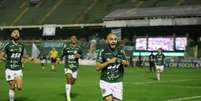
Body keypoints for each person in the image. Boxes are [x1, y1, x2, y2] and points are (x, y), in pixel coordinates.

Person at [96, 32, 129, 101]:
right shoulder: (102, 51)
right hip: (106, 82)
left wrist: (122, 61)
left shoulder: (121, 51)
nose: (113, 41)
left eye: (115, 39)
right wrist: (109, 62)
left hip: (118, 82)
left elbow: (127, 64)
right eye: (111, 39)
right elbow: (97, 67)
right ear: (107, 41)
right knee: (108, 100)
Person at [1, 29, 29, 101]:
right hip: (9, 68)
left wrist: (30, 58)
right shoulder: (7, 45)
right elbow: (1, 56)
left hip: (18, 69)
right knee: (12, 86)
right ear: (11, 35)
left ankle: (14, 81)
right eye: (14, 33)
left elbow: (24, 55)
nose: (16, 34)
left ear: (19, 35)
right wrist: (6, 60)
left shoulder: (21, 45)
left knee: (19, 87)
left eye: (17, 33)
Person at [61, 35, 82, 101]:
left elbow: (82, 56)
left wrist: (79, 56)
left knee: (72, 82)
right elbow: (62, 55)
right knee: (69, 78)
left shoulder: (79, 48)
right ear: (70, 40)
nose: (73, 39)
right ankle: (68, 97)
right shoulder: (66, 48)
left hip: (75, 67)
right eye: (72, 38)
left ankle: (69, 86)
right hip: (68, 66)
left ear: (76, 40)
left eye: (75, 38)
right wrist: (59, 59)